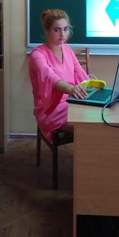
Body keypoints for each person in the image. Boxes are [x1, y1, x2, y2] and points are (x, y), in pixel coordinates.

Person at [29, 9, 89, 142]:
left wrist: (97, 90)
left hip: (71, 101)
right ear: (47, 30)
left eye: (65, 29)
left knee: (96, 117)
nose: (63, 34)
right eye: (57, 30)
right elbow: (50, 77)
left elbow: (81, 74)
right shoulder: (37, 55)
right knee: (88, 126)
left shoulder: (67, 49)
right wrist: (70, 89)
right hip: (50, 109)